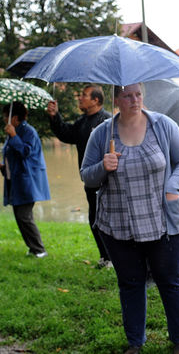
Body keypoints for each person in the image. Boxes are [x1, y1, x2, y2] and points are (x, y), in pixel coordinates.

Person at [80, 83, 179, 354]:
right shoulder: (101, 134)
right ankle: (135, 342)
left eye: (139, 94)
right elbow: (87, 176)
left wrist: (172, 187)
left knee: (169, 279)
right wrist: (103, 166)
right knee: (130, 283)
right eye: (128, 95)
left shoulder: (162, 126)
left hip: (164, 224)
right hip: (118, 226)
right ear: (116, 98)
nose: (135, 100)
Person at [46, 84, 111, 267]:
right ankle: (105, 257)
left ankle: (114, 258)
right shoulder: (83, 122)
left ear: (96, 100)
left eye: (84, 95)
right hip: (90, 179)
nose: (80, 98)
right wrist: (54, 116)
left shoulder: (107, 122)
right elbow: (66, 134)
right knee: (94, 219)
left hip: (108, 181)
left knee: (108, 220)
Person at [0, 101, 50, 258]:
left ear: (14, 118)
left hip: (28, 180)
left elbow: (26, 152)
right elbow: (12, 154)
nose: (4, 119)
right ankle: (33, 248)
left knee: (24, 216)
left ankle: (40, 249)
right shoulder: (14, 130)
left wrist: (13, 135)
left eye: (6, 116)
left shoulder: (28, 131)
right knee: (20, 216)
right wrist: (3, 166)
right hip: (16, 180)